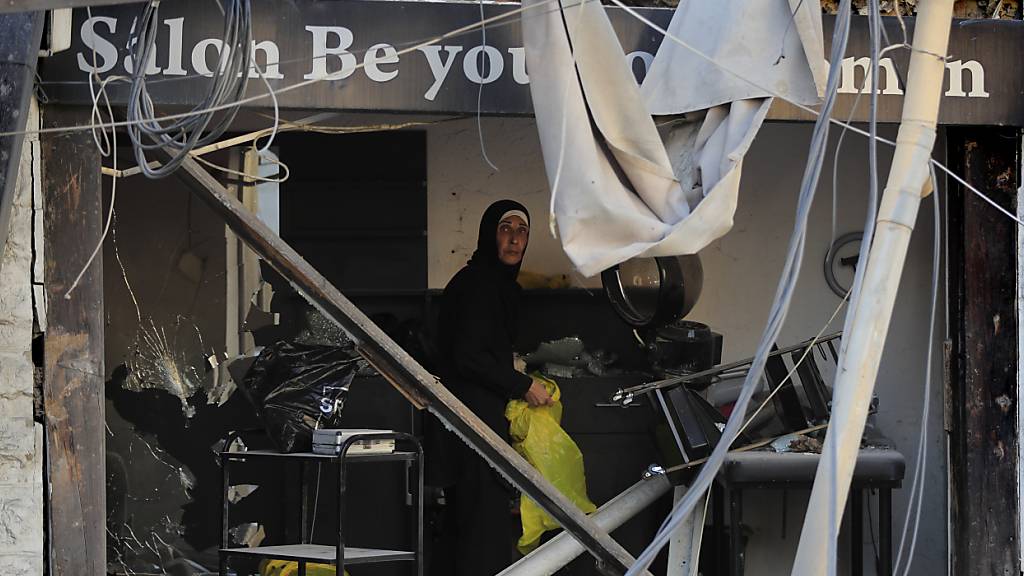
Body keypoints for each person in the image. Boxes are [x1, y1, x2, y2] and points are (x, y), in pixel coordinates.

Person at [433, 199, 554, 576]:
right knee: (482, 526)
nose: (515, 239)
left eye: (522, 231)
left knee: (473, 524)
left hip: (475, 419)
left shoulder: (495, 285)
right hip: (471, 422)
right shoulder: (478, 286)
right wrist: (522, 384)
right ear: (489, 235)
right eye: (506, 229)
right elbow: (469, 356)